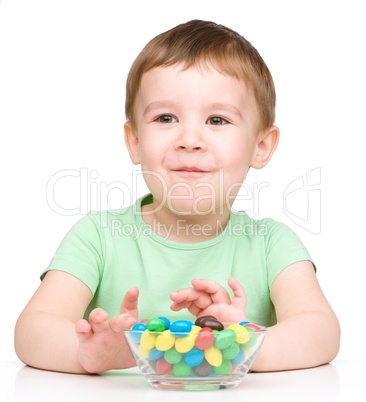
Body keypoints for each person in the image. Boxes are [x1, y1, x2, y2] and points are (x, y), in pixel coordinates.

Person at [14, 20, 340, 374]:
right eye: (165, 117)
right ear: (135, 141)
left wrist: (239, 344)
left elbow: (321, 331)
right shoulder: (97, 237)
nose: (190, 139)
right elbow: (32, 330)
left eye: (217, 120)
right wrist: (89, 356)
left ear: (261, 147)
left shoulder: (270, 244)